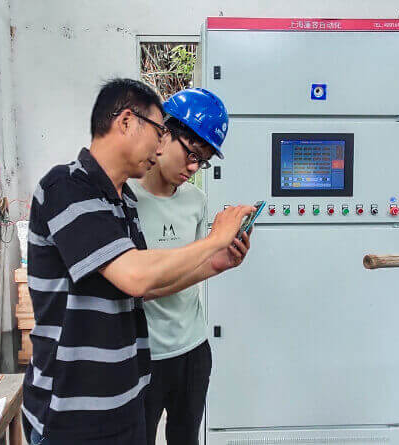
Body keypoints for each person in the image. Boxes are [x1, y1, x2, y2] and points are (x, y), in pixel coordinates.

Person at [21, 79, 254, 444]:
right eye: (159, 132)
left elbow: (140, 291)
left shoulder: (122, 203)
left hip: (123, 397)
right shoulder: (65, 187)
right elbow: (135, 276)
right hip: (71, 412)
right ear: (127, 122)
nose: (159, 147)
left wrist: (216, 261)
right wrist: (213, 241)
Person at [127, 88, 250, 445]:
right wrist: (211, 252)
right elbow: (136, 288)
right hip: (143, 354)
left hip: (193, 350)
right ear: (163, 132)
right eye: (192, 154)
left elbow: (192, 269)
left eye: (203, 161)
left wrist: (218, 264)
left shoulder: (196, 200)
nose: (194, 168)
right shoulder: (125, 199)